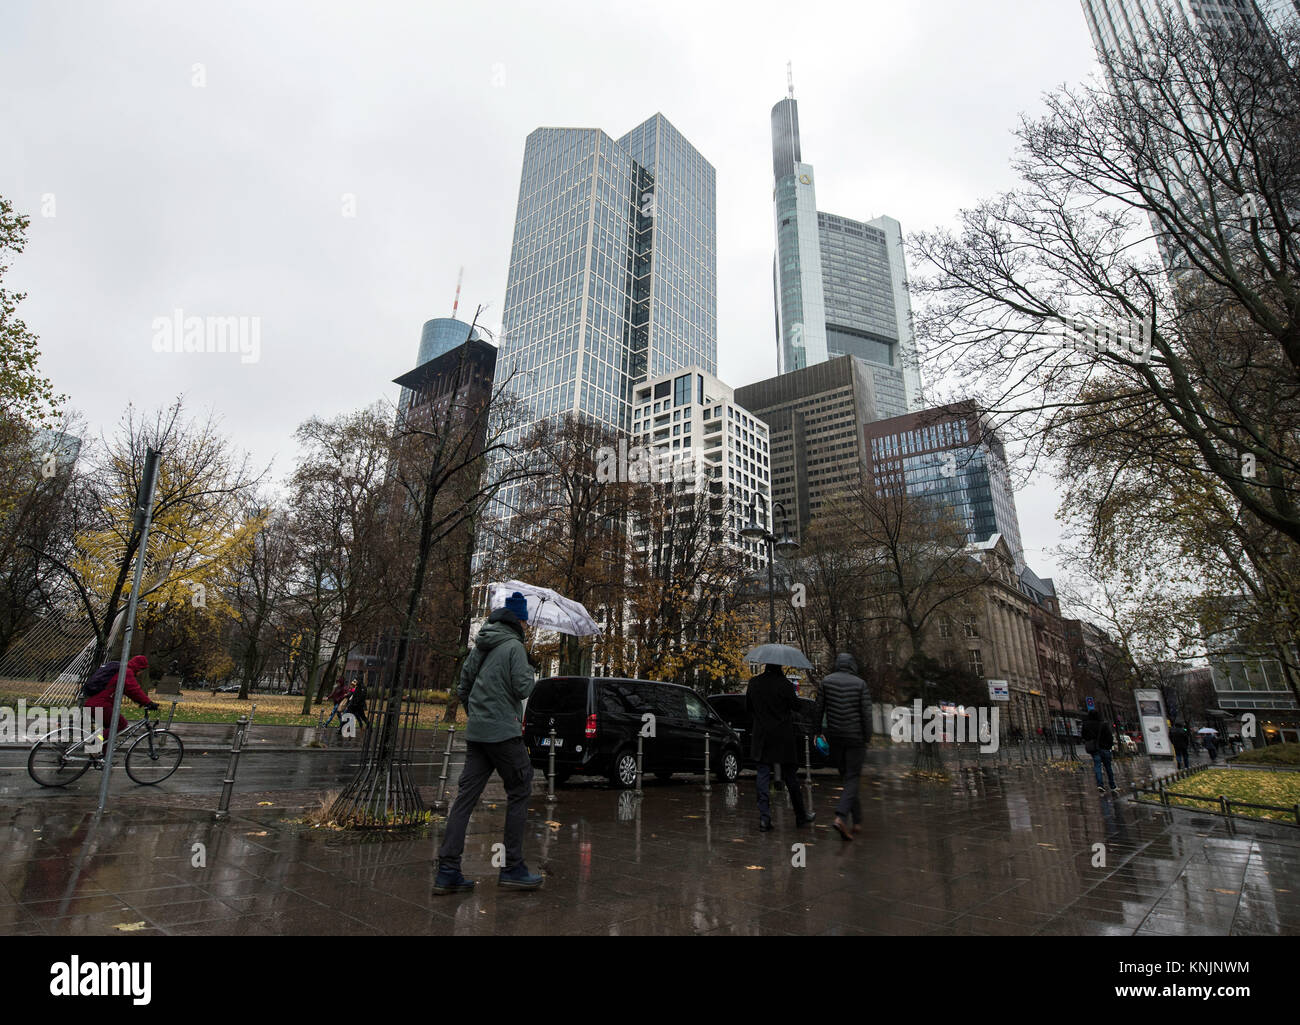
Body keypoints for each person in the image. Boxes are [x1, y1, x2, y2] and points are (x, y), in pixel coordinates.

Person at [435, 593, 542, 895]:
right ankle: (512, 867)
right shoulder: (514, 647)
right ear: (520, 621)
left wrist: (478, 716)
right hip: (504, 734)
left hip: (478, 733)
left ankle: (447, 871)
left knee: (465, 798)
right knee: (521, 788)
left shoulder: (481, 644)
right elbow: (523, 688)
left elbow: (463, 686)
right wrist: (530, 666)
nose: (527, 626)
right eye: (526, 621)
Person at [745, 663, 815, 832]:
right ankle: (801, 815)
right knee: (790, 776)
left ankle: (764, 818)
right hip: (782, 736)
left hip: (762, 735)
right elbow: (796, 706)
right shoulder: (785, 684)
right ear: (780, 666)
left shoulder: (754, 683)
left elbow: (748, 708)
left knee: (762, 775)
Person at [814, 653, 872, 841]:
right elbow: (866, 713)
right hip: (855, 738)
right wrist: (867, 736)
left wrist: (817, 732)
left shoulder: (826, 682)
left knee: (847, 778)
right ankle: (841, 816)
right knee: (853, 778)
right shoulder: (860, 684)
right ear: (852, 665)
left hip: (835, 737)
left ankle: (857, 821)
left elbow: (818, 708)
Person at [82, 655, 159, 757]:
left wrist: (142, 702)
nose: (140, 674)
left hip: (94, 704)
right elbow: (134, 690)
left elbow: (129, 692)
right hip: (101, 705)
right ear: (138, 667)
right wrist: (149, 703)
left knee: (110, 730)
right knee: (121, 724)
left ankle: (103, 757)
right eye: (141, 670)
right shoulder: (126, 673)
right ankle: (95, 743)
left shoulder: (121, 671)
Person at [1082, 709, 1117, 794]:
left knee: (1097, 766)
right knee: (1108, 767)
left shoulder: (1086, 724)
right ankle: (1112, 785)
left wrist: (1090, 741)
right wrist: (1109, 746)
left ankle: (1100, 785)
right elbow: (1109, 737)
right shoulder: (1104, 724)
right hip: (1105, 748)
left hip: (1095, 749)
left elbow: (1084, 736)